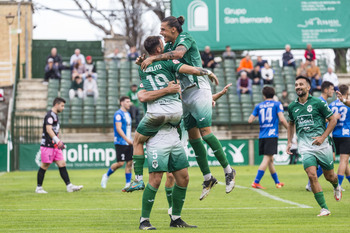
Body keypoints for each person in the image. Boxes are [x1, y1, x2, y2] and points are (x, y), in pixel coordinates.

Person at [138, 16, 236, 200]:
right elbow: (163, 61)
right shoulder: (167, 47)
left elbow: (178, 56)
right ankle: (208, 177)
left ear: (173, 30)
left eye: (163, 29)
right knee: (193, 138)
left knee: (205, 132)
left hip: (198, 87)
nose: (161, 32)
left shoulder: (185, 39)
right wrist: (144, 62)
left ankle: (229, 170)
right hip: (185, 93)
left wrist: (206, 71)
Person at [128, 36, 220, 196]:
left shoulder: (141, 67)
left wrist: (143, 63)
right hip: (177, 113)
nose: (165, 45)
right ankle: (202, 179)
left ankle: (137, 179)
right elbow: (191, 69)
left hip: (156, 114)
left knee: (138, 141)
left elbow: (143, 94)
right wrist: (207, 72)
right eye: (162, 44)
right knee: (180, 161)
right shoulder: (169, 63)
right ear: (158, 49)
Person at [286, 76, 341, 217]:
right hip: (306, 146)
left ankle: (336, 186)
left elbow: (333, 120)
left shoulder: (318, 103)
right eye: (296, 84)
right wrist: (289, 142)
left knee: (330, 176)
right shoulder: (292, 106)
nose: (298, 86)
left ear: (308, 87)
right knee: (312, 175)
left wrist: (323, 137)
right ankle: (324, 208)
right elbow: (291, 123)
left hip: (323, 146)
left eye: (301, 84)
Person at [35, 97, 83, 193]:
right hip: (47, 145)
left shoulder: (56, 116)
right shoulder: (49, 115)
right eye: (62, 105)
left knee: (62, 163)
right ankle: (39, 188)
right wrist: (57, 140)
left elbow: (56, 130)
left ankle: (69, 186)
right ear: (56, 105)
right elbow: (49, 129)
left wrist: (59, 142)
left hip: (55, 146)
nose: (63, 108)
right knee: (45, 165)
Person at [248, 86, 288, 189]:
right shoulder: (277, 104)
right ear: (273, 94)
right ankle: (256, 181)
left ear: (263, 95)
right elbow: (282, 120)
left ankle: (277, 182)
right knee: (267, 158)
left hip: (262, 135)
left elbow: (250, 120)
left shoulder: (259, 106)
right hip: (272, 134)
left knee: (270, 160)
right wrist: (289, 129)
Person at [305, 81, 334, 192]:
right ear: (326, 90)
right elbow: (316, 119)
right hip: (320, 136)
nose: (332, 91)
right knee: (324, 161)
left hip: (323, 135)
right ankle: (310, 183)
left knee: (323, 161)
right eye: (331, 89)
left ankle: (310, 183)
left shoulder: (323, 102)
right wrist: (332, 118)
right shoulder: (319, 102)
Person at [101, 96, 133, 191]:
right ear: (121, 103)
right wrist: (127, 139)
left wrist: (131, 139)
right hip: (121, 142)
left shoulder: (128, 114)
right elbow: (118, 128)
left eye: (129, 102)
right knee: (120, 163)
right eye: (127, 102)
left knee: (130, 163)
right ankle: (106, 175)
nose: (129, 103)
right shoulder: (118, 114)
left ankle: (127, 184)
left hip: (129, 142)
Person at [329, 84, 350, 190]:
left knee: (344, 161)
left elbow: (326, 119)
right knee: (344, 161)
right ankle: (338, 186)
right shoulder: (348, 104)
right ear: (347, 92)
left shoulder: (331, 105)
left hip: (335, 135)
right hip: (346, 134)